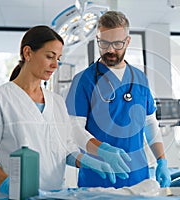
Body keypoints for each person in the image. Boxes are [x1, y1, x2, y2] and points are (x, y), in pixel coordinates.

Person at [0, 25, 116, 199]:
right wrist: (12, 187)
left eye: (58, 58)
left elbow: (66, 149)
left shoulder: (57, 102)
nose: (55, 65)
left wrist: (89, 162)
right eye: (49, 56)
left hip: (55, 195)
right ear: (28, 53)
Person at [65, 10, 171, 188]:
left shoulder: (140, 78)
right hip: (98, 179)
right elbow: (74, 129)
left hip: (139, 179)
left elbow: (150, 123)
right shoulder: (83, 80)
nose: (110, 50)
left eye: (117, 43)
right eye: (104, 43)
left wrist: (162, 160)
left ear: (128, 41)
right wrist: (102, 150)